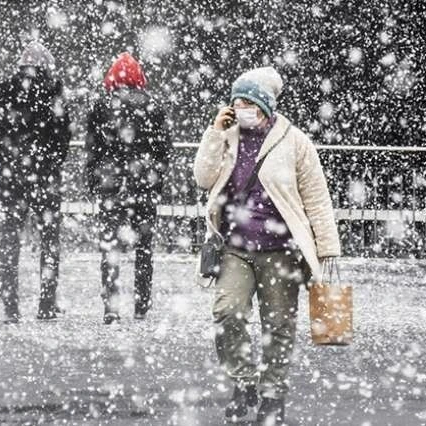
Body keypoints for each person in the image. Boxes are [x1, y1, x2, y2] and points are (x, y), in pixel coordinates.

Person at [192, 66, 341, 423]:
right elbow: (202, 177)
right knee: (227, 312)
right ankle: (244, 383)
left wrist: (327, 249)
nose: (241, 108)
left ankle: (273, 396)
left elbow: (317, 198)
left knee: (278, 325)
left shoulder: (295, 142)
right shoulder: (227, 136)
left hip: (280, 250)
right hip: (235, 247)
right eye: (236, 102)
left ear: (265, 105)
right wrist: (214, 132)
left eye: (248, 102)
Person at [0, 41, 71, 322]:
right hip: (44, 177)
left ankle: (10, 307)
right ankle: (46, 302)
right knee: (49, 240)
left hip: (11, 177)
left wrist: (7, 160)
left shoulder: (0, 91)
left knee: (10, 238)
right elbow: (62, 137)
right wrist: (49, 162)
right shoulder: (54, 94)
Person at [85, 52, 172, 324]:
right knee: (144, 248)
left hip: (112, 186)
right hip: (143, 185)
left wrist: (94, 179)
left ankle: (111, 305)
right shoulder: (153, 106)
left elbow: (93, 149)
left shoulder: (101, 106)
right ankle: (141, 304)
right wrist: (157, 180)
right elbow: (163, 151)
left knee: (110, 246)